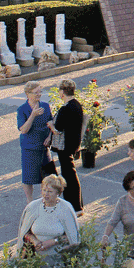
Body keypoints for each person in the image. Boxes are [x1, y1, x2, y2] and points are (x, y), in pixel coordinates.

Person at [17, 174, 80, 263]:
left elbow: (72, 236)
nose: (46, 194)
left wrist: (53, 241)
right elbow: (25, 233)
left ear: (58, 193)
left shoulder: (66, 209)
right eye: (44, 190)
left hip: (60, 256)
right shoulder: (32, 207)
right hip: (36, 258)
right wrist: (35, 241)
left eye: (50, 191)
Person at [47, 79, 84, 214]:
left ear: (62, 92)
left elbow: (58, 128)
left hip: (65, 146)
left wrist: (50, 124)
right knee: (71, 173)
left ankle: (74, 206)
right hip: (73, 144)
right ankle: (78, 204)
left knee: (68, 175)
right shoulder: (77, 105)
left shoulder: (66, 108)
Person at [17, 81, 53, 204]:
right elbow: (23, 130)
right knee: (28, 177)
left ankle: (47, 200)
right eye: (36, 92)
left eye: (40, 92)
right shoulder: (22, 109)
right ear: (28, 94)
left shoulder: (45, 106)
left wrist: (50, 136)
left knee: (49, 177)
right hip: (29, 148)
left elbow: (51, 123)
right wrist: (32, 115)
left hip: (43, 147)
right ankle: (30, 201)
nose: (39, 95)